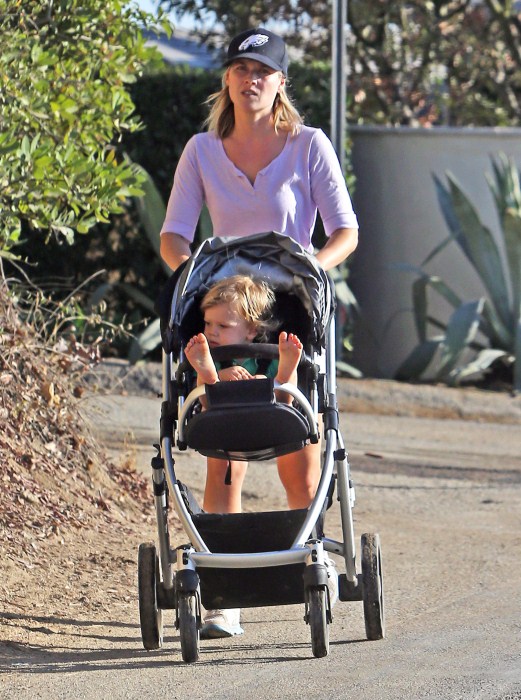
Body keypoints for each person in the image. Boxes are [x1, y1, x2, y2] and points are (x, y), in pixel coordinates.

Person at [160, 26, 358, 638]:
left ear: (280, 84)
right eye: (242, 68)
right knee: (224, 449)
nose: (252, 80)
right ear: (227, 78)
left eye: (264, 72)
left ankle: (309, 568)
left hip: (287, 314)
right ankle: (225, 594)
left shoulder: (308, 145)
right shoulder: (201, 150)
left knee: (298, 463)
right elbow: (174, 236)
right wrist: (198, 283)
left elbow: (344, 231)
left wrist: (308, 274)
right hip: (224, 313)